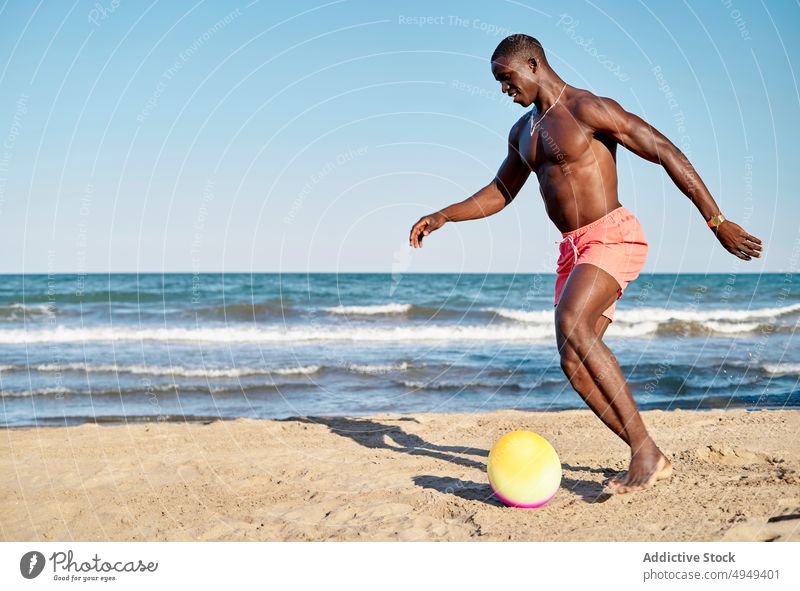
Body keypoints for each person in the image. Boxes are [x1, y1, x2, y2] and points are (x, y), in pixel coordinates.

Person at [408, 34, 763, 494]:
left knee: (572, 321)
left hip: (611, 234)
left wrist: (716, 220)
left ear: (533, 64)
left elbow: (665, 150)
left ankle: (642, 451)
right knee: (573, 360)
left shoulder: (587, 109)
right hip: (572, 250)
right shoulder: (523, 132)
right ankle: (650, 453)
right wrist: (443, 216)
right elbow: (500, 190)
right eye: (498, 81)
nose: (503, 89)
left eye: (506, 77)